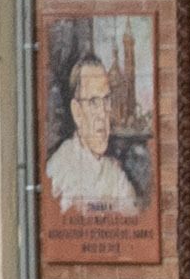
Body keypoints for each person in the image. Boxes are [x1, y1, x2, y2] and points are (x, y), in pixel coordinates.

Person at [43, 56, 148, 220]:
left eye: (106, 100)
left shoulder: (115, 174)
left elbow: (135, 219)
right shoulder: (57, 172)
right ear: (77, 112)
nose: (103, 113)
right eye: (93, 102)